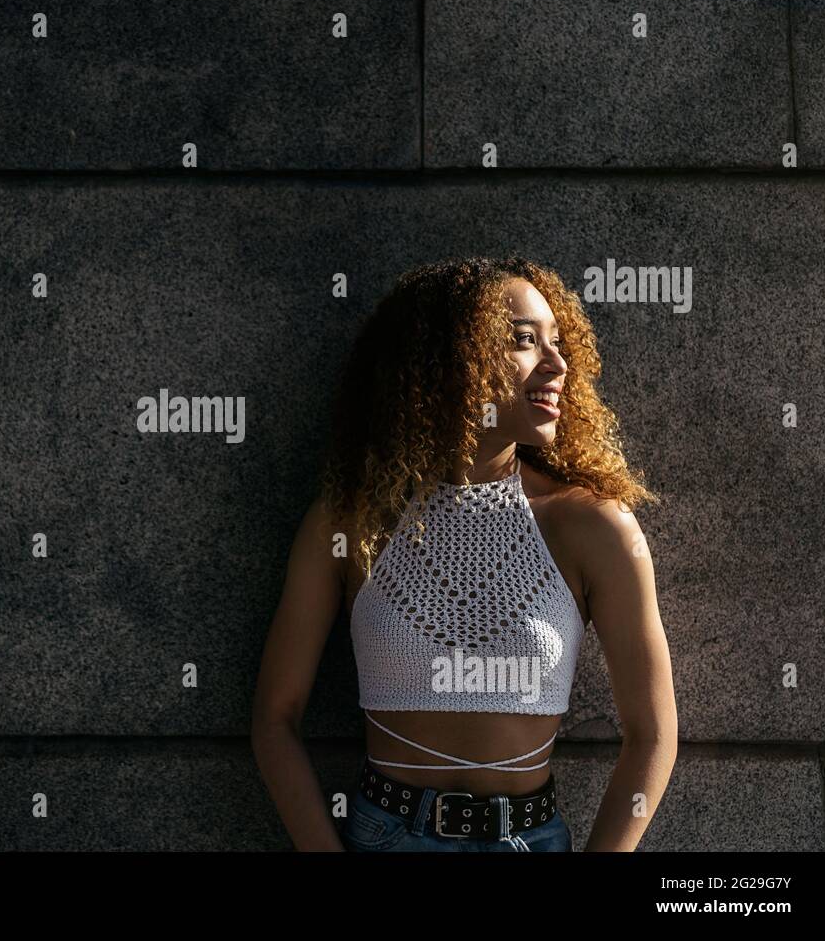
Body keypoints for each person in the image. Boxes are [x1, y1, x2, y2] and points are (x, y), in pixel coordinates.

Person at [251, 256, 678, 851]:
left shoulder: (595, 526)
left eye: (559, 342)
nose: (558, 364)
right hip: (383, 837)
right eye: (526, 342)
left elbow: (654, 735)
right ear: (454, 359)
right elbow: (275, 720)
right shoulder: (349, 520)